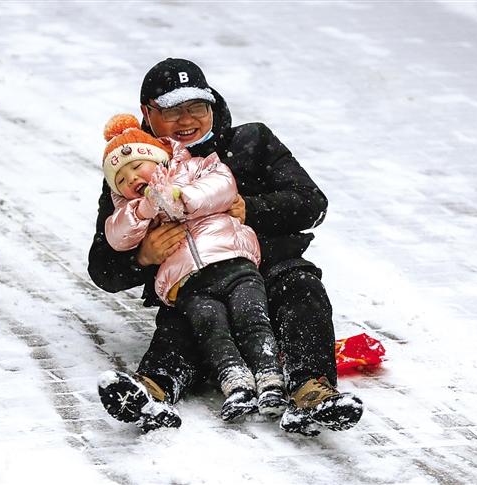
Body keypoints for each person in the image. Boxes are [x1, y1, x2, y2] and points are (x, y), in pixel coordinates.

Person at [89, 58, 363, 436]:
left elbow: (311, 202)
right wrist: (143, 256)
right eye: (172, 111)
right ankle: (152, 388)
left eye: (196, 107)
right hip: (194, 280)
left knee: (303, 290)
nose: (186, 120)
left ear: (211, 105)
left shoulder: (251, 141)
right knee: (186, 320)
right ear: (147, 114)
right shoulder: (134, 168)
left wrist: (252, 208)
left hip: (271, 267)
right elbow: (102, 268)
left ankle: (311, 389)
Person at [98, 113, 287, 422]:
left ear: (158, 157)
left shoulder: (195, 167)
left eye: (136, 167)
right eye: (121, 179)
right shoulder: (128, 207)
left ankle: (270, 381)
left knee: (251, 318)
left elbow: (222, 185)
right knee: (212, 331)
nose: (131, 179)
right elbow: (115, 237)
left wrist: (182, 196)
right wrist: (143, 211)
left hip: (232, 263)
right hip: (189, 285)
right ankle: (236, 385)